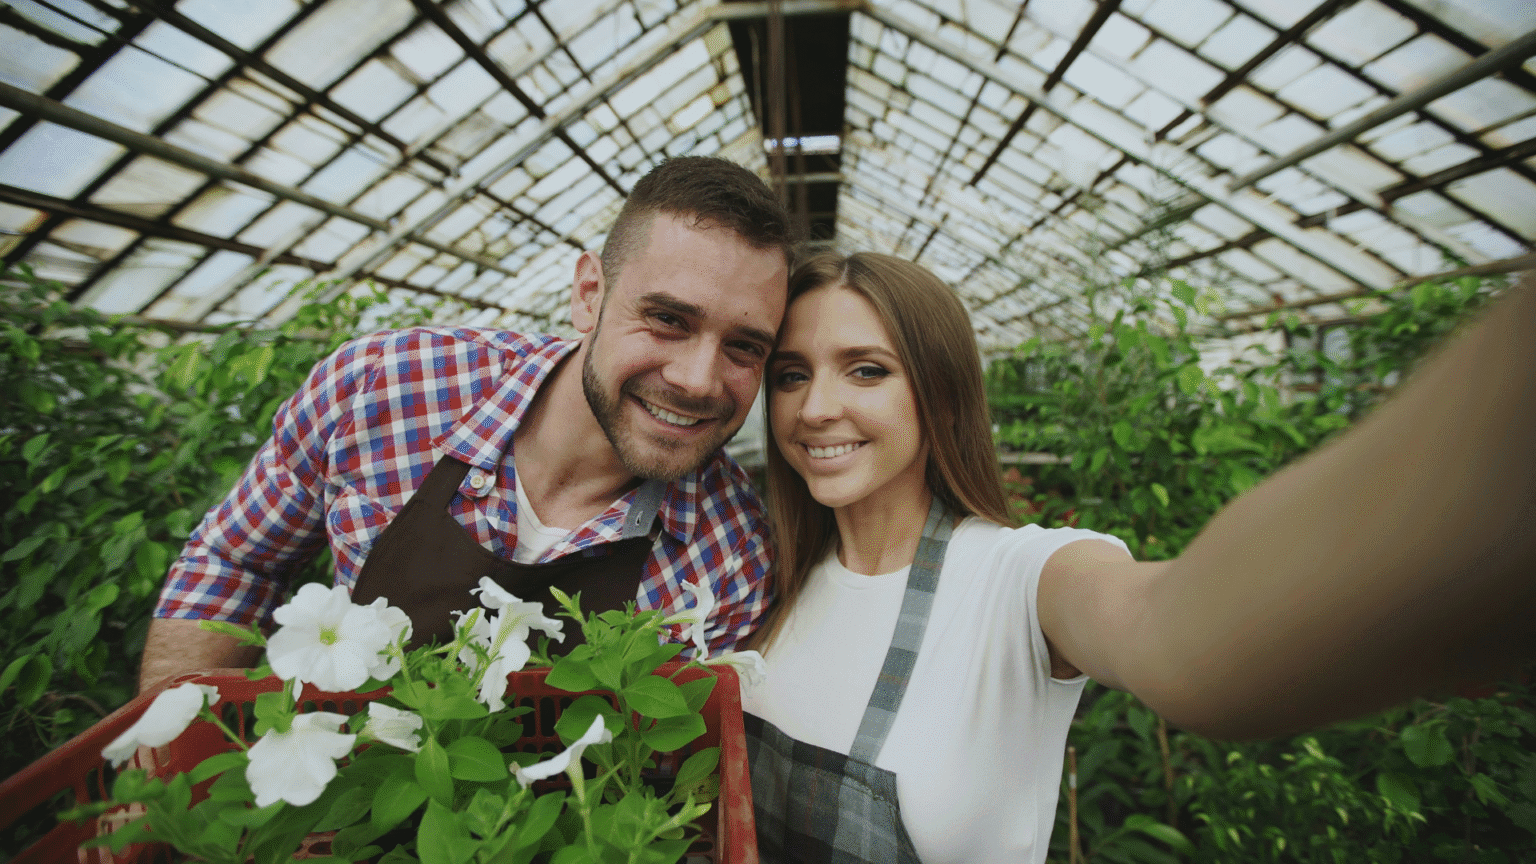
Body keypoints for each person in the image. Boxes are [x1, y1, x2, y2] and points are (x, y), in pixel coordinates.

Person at [742, 251, 1536, 863]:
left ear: (941, 391)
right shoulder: (767, 581)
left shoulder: (1018, 579)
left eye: (867, 370)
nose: (816, 408)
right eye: (790, 375)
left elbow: (1174, 631)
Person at [138, 156, 795, 692]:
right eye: (668, 319)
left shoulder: (732, 553)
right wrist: (169, 762)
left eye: (745, 346)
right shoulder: (385, 389)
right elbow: (236, 561)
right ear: (589, 295)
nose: (699, 380)